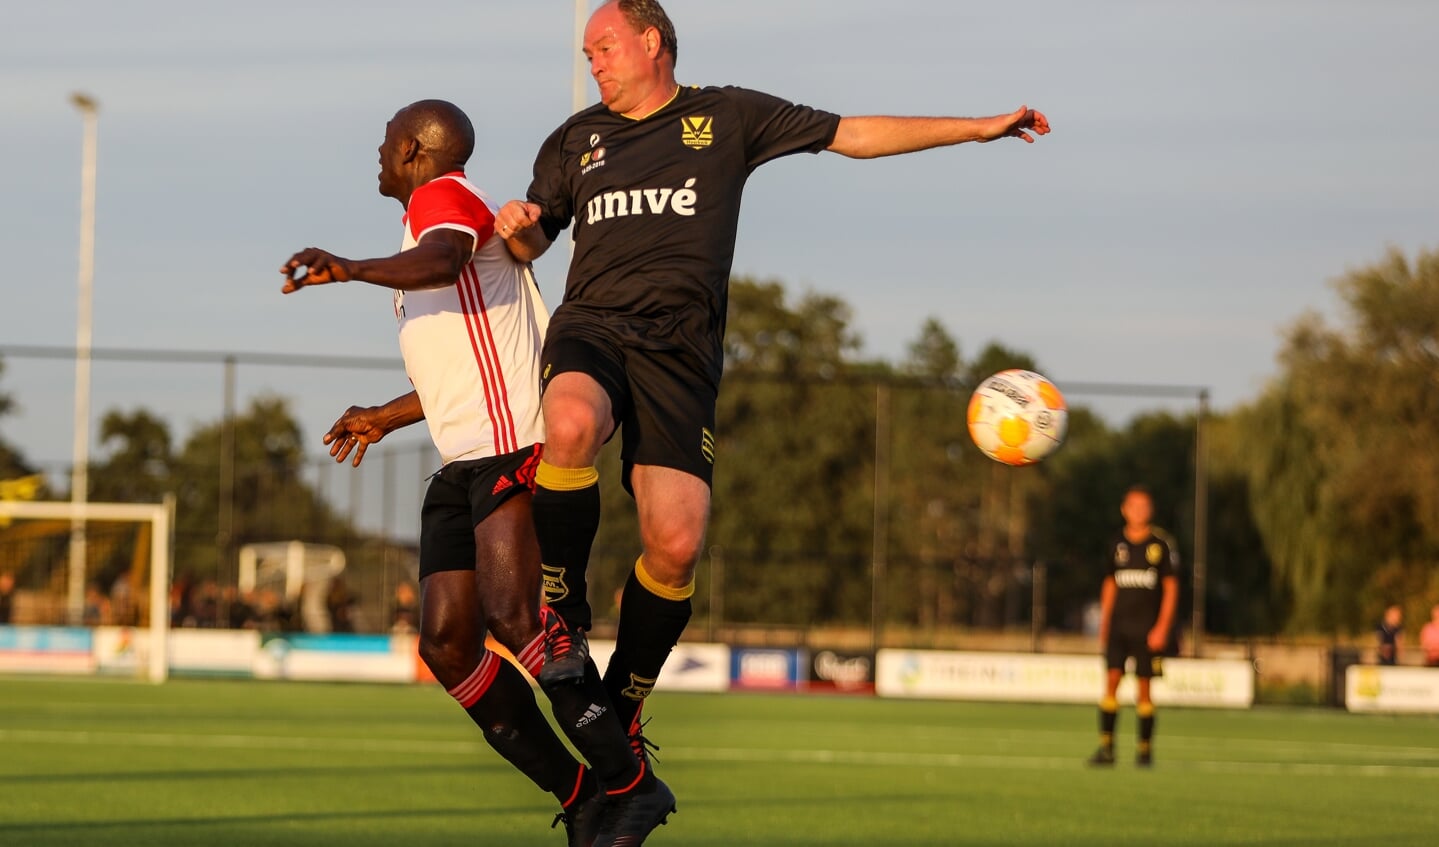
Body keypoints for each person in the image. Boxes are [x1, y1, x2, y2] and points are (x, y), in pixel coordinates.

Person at [494, 0, 1051, 768]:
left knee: (678, 543)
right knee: (568, 424)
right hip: (593, 327)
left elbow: (852, 134)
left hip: (681, 355)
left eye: (604, 46)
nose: (592, 60)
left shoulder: (727, 117)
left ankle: (618, 705)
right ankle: (561, 604)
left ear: (652, 41)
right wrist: (516, 224)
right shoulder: (574, 140)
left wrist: (977, 127)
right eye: (587, 52)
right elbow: (530, 244)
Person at [279, 99, 671, 847]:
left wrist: (351, 268)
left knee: (519, 619)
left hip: (513, 450)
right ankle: (582, 790)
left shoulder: (444, 201)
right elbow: (461, 367)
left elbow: (452, 257)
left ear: (418, 152)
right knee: (447, 643)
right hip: (462, 462)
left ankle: (632, 784)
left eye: (389, 141)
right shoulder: (422, 227)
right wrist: (383, 415)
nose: (380, 152)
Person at [1088, 486, 1179, 768]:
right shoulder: (1116, 543)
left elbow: (1171, 586)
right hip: (1118, 628)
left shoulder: (1161, 545)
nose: (1138, 511)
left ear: (1150, 510)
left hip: (1147, 629)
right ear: (1124, 509)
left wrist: (1163, 627)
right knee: (1112, 682)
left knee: (1144, 688)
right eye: (1133, 506)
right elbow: (1109, 582)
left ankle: (1144, 751)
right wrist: (1104, 622)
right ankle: (1106, 749)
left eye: (1144, 506)